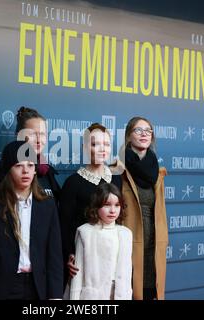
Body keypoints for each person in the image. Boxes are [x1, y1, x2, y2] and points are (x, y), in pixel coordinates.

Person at [0, 141, 63, 299]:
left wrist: (55, 296)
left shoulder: (47, 205)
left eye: (30, 165)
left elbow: (54, 256)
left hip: (38, 287)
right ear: (9, 170)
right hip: (4, 287)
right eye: (18, 166)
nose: (25, 171)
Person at [59, 123, 122, 286]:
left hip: (112, 257)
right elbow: (64, 225)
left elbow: (120, 220)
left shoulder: (117, 180)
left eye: (106, 144)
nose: (102, 149)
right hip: (84, 258)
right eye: (95, 144)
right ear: (85, 147)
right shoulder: (73, 183)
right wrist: (70, 255)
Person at [119, 116, 168, 300]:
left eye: (148, 130)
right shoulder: (118, 169)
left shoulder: (157, 171)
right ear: (128, 135)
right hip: (128, 248)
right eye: (138, 130)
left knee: (148, 293)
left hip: (152, 247)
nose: (144, 134)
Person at [69, 183, 132, 300]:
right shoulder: (85, 232)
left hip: (121, 294)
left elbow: (127, 272)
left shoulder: (126, 234)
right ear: (96, 206)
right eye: (107, 205)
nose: (113, 210)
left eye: (117, 205)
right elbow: (77, 274)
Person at [0, 106, 61, 202]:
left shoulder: (47, 171)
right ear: (18, 135)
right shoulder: (4, 170)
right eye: (32, 134)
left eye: (42, 134)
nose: (38, 140)